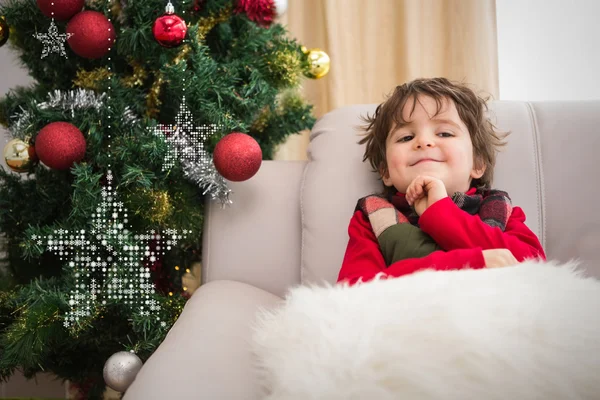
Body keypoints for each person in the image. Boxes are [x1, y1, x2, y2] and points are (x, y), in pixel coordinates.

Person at [337, 77, 546, 286]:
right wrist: (468, 263)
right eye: (406, 138)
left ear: (478, 163)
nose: (423, 142)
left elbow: (537, 269)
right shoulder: (374, 217)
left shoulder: (499, 211)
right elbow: (355, 289)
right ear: (386, 172)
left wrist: (441, 212)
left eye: (445, 133)